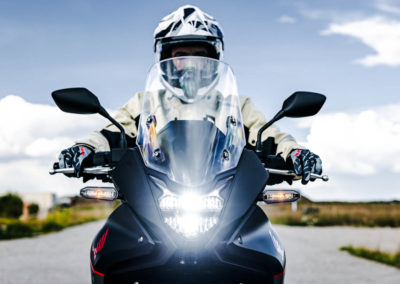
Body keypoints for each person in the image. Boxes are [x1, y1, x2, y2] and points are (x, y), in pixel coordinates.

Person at [58, 5, 322, 185]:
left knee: (263, 246)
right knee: (111, 244)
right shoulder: (146, 102)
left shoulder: (235, 104)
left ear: (214, 59)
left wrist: (297, 153)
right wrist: (84, 148)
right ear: (164, 59)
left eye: (201, 55)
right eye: (181, 56)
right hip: (153, 196)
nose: (192, 64)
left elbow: (271, 135)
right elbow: (111, 131)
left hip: (224, 196)